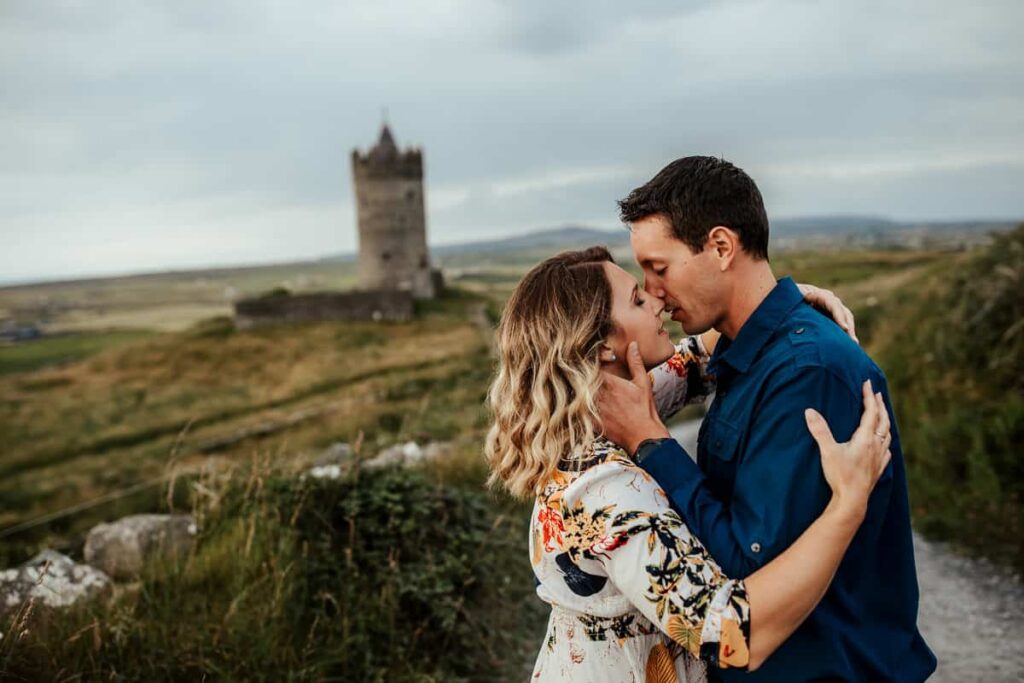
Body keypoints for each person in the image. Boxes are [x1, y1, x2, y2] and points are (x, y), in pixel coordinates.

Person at [484, 246, 892, 682]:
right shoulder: (607, 493)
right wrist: (848, 505)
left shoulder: (598, 415)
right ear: (604, 346)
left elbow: (694, 361)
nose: (657, 301)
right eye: (639, 301)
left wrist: (779, 301)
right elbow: (733, 635)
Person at [600, 156, 937, 682]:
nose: (655, 292)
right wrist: (794, 294)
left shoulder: (807, 372)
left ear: (720, 247)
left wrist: (652, 444)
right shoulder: (743, 351)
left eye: (658, 269)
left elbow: (745, 565)